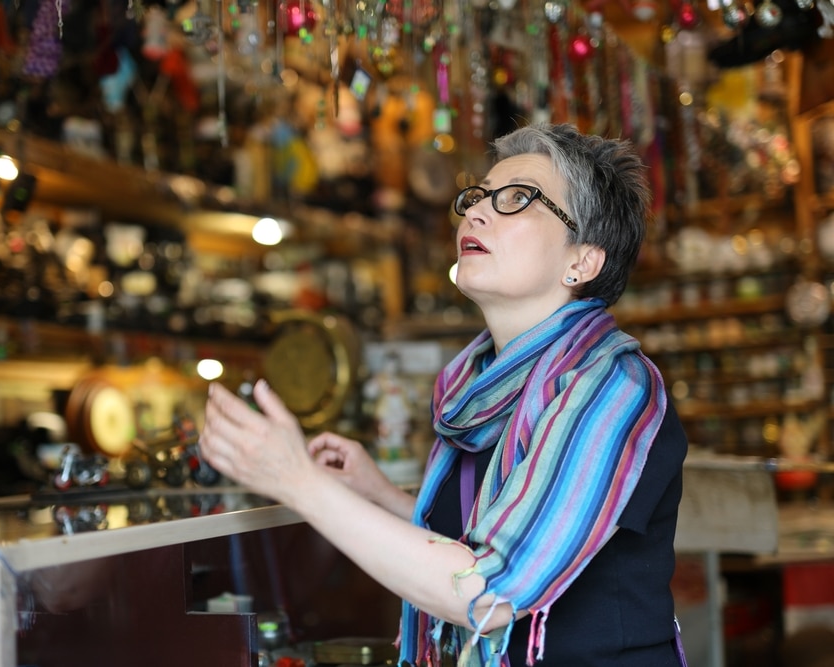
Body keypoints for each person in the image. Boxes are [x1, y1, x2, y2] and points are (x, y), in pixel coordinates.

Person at [200, 122, 689, 666]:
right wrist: (382, 495)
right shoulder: (478, 387)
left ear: (583, 261)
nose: (475, 212)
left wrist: (298, 481)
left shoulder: (609, 389)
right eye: (477, 197)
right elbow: (498, 535)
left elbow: (489, 592)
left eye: (518, 199)